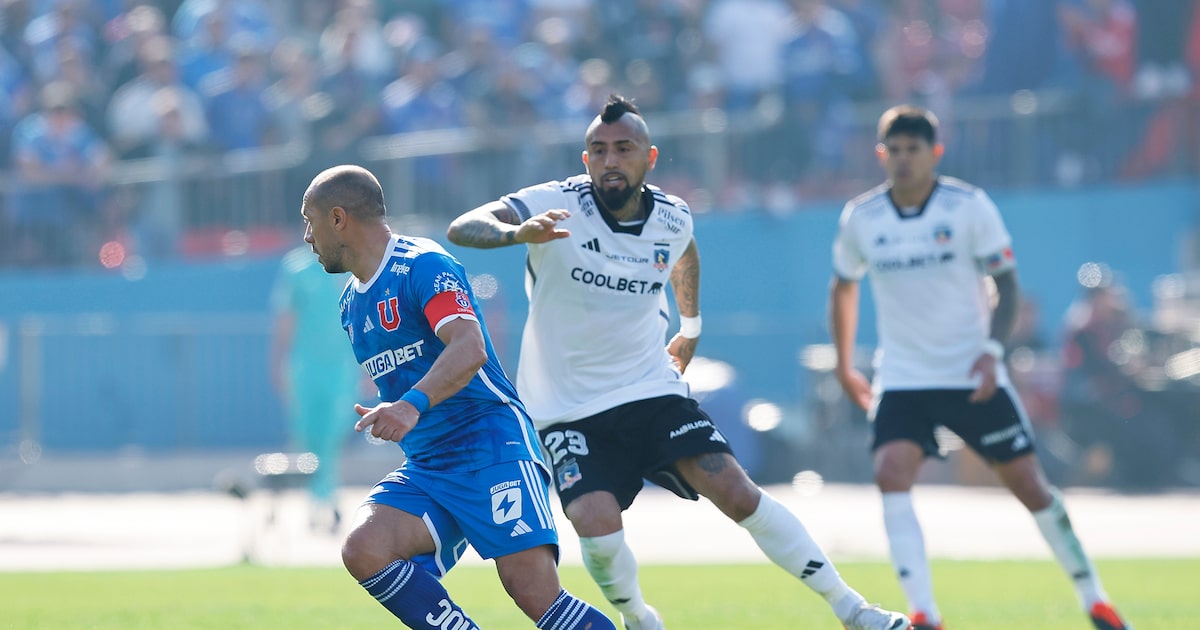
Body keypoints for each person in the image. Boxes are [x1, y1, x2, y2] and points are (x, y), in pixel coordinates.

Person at [447, 94, 910, 630]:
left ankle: (853, 610)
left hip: (648, 389)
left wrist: (690, 328)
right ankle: (639, 617)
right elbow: (465, 226)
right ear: (585, 160)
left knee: (737, 492)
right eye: (598, 150)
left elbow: (683, 251)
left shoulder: (671, 215)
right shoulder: (558, 203)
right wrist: (515, 233)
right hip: (565, 407)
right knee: (595, 525)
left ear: (650, 157)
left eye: (624, 148)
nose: (610, 159)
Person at [828, 105, 1131, 630]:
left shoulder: (968, 207)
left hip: (971, 372)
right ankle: (924, 612)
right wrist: (842, 361)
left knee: (1030, 485)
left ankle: (1095, 598)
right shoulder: (862, 217)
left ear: (935, 153)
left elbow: (1007, 284)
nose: (903, 160)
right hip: (902, 375)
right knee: (889, 472)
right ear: (881, 154)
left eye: (913, 150)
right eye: (893, 150)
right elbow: (844, 285)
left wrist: (992, 353)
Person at [299, 164, 615, 630]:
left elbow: (469, 349)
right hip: (430, 464)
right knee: (365, 548)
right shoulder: (351, 302)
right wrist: (397, 413)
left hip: (491, 447)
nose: (307, 236)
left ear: (339, 218)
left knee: (535, 593)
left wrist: (409, 405)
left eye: (310, 220)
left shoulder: (422, 264)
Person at [269, 243, 361, 532]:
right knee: (307, 436)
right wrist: (279, 362)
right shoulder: (296, 267)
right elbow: (286, 319)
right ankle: (318, 500)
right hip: (305, 368)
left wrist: (369, 366)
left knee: (333, 435)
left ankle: (327, 499)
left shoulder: (349, 264)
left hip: (342, 368)